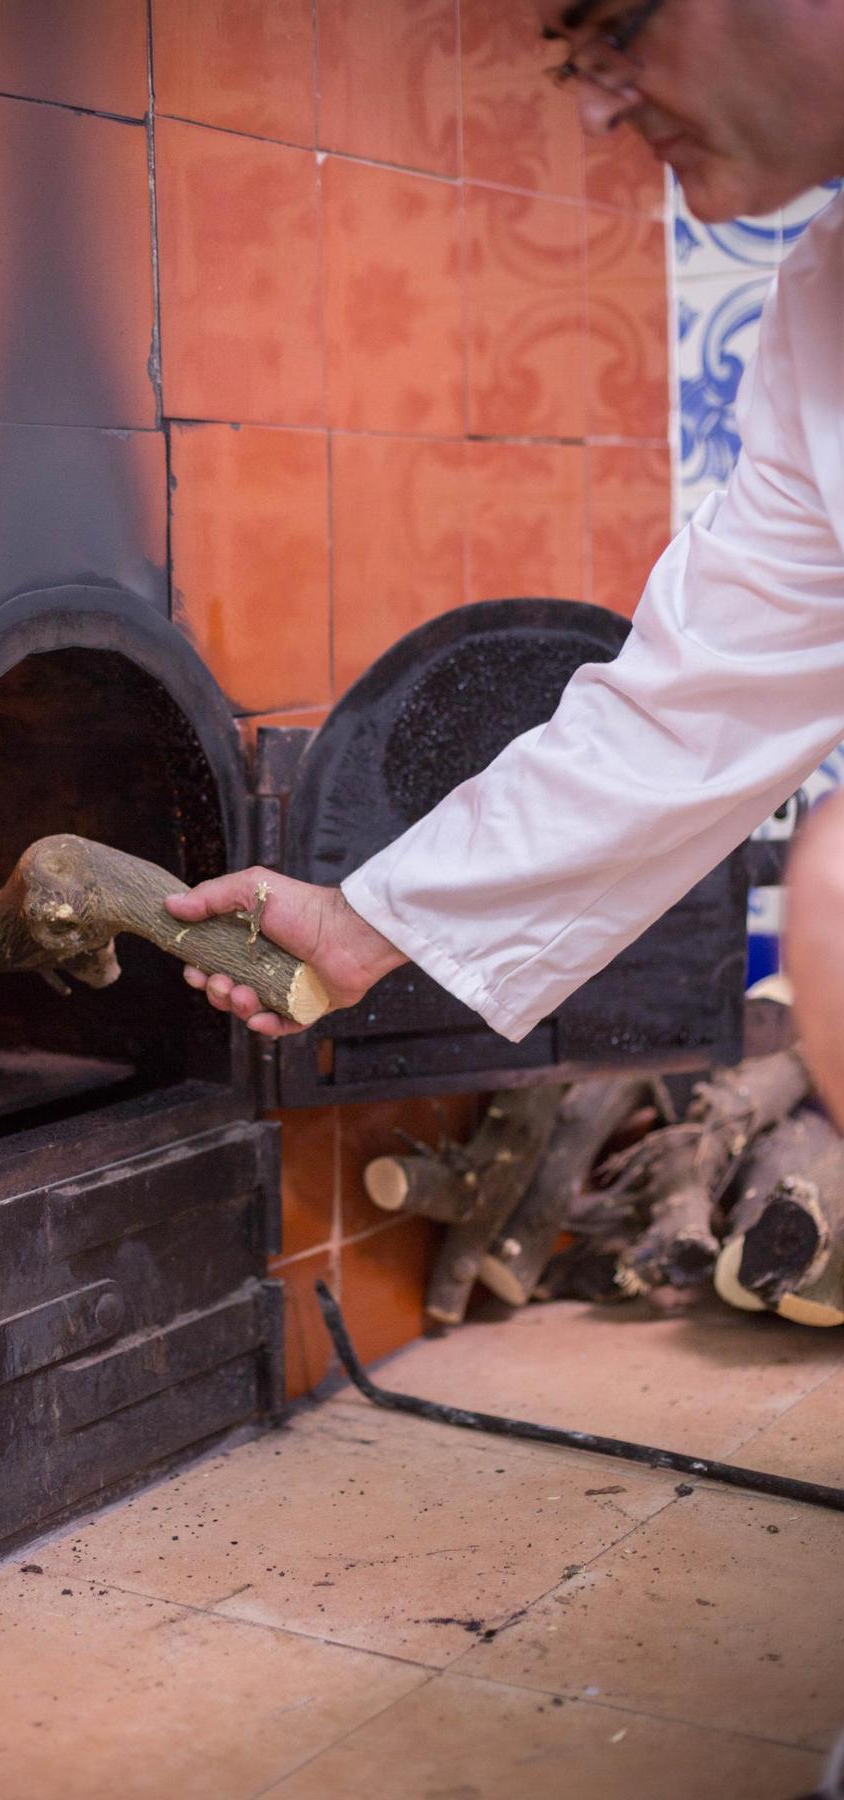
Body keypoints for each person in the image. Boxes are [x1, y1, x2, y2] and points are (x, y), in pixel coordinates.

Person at [167, 0, 844, 1128]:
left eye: (611, 28)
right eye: (567, 59)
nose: (591, 101)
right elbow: (695, 706)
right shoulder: (827, 310)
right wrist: (365, 922)